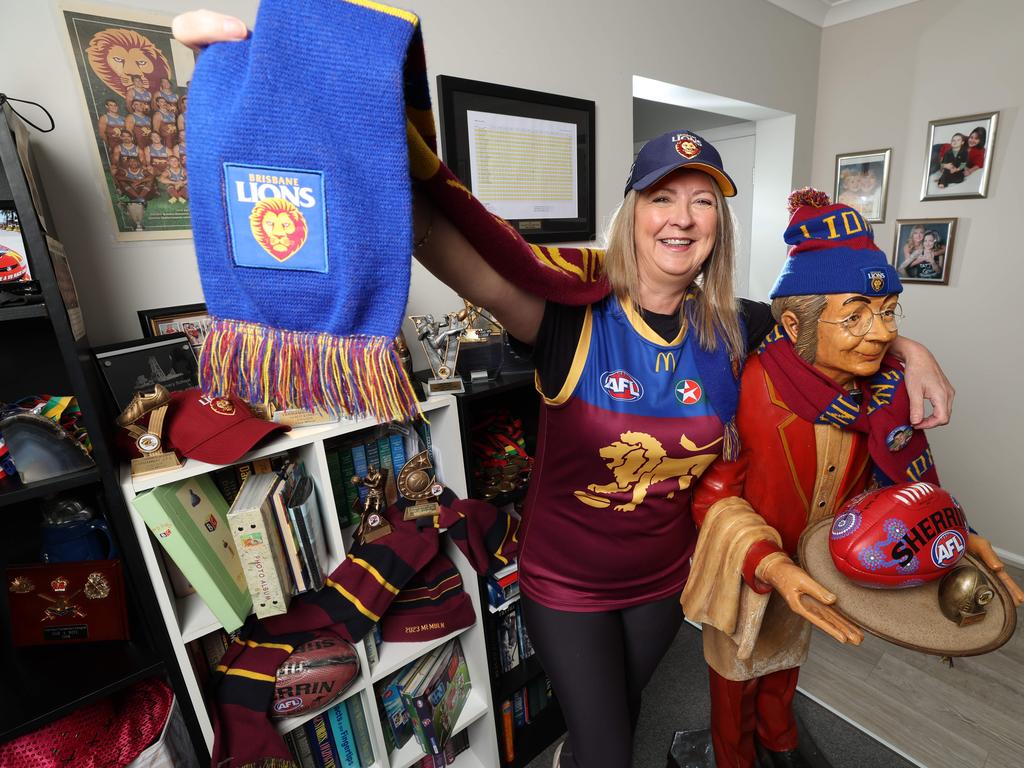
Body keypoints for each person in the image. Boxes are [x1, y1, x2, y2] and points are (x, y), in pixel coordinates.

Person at [172, 11, 956, 768]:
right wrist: (306, 97)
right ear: (633, 213)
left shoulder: (738, 324)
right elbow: (443, 236)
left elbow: (838, 333)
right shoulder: (564, 315)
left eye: (703, 200)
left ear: (718, 222)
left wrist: (912, 351)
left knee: (618, 719)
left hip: (662, 576)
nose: (683, 217)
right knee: (613, 750)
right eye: (663, 196)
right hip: (568, 583)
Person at [682, 190, 1021, 768]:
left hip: (823, 563)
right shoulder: (744, 384)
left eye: (888, 311)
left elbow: (895, 493)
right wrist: (769, 562)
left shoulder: (881, 395)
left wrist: (951, 535)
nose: (881, 332)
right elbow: (714, 498)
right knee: (735, 672)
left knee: (789, 658)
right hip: (753, 569)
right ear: (794, 324)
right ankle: (732, 753)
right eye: (857, 314)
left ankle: (779, 737)